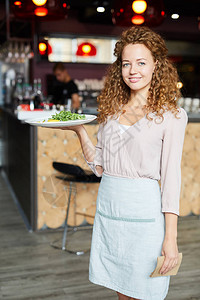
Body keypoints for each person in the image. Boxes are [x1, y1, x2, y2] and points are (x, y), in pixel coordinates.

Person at [51, 26, 188, 300]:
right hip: (110, 212)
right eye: (126, 63)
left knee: (146, 291)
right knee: (122, 293)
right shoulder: (112, 112)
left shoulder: (172, 116)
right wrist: (80, 131)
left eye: (141, 62)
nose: (132, 70)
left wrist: (170, 239)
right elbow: (100, 166)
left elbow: (171, 179)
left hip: (145, 216)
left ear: (155, 66)